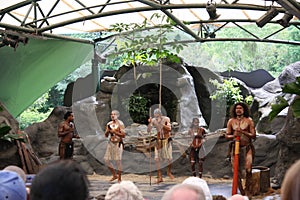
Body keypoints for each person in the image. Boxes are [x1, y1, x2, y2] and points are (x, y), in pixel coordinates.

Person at [225, 102, 256, 196]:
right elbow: (227, 135)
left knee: (248, 169)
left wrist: (242, 132)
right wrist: (233, 135)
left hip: (247, 148)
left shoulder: (249, 121)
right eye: (237, 108)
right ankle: (241, 192)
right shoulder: (231, 121)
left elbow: (253, 135)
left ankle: (248, 190)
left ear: (244, 110)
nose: (238, 110)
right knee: (235, 171)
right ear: (234, 110)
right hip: (235, 148)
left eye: (240, 108)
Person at [147, 108, 174, 183]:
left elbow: (169, 129)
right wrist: (149, 123)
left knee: (169, 158)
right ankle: (160, 176)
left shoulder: (166, 119)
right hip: (159, 141)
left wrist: (161, 124)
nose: (155, 116)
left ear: (160, 114)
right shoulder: (153, 120)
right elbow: (148, 130)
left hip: (166, 140)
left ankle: (169, 172)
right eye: (155, 114)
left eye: (157, 114)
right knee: (157, 159)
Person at [104, 110, 126, 182]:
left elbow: (123, 135)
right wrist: (107, 132)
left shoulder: (120, 124)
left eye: (114, 114)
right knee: (106, 160)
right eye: (111, 114)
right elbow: (106, 135)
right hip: (111, 143)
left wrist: (115, 132)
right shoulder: (109, 124)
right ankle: (114, 175)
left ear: (118, 115)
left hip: (118, 143)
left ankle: (119, 178)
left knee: (118, 161)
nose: (112, 115)